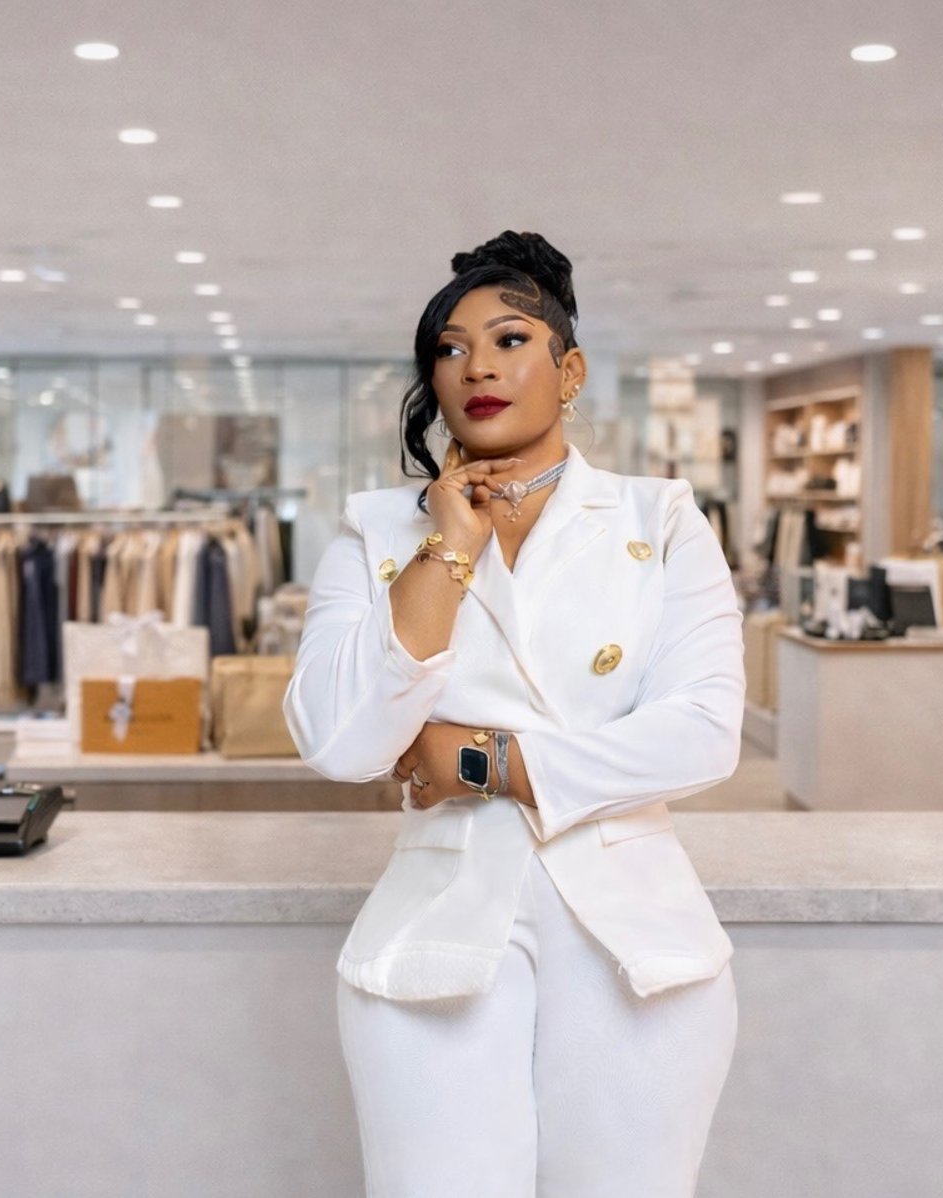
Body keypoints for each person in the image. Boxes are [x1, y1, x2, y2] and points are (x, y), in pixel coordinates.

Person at [284, 230, 745, 1197]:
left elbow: (703, 730)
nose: (477, 366)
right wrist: (448, 547)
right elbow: (339, 741)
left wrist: (483, 760)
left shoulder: (657, 519)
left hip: (637, 942)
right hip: (436, 930)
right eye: (450, 349)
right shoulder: (375, 529)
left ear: (568, 368)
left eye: (510, 339)